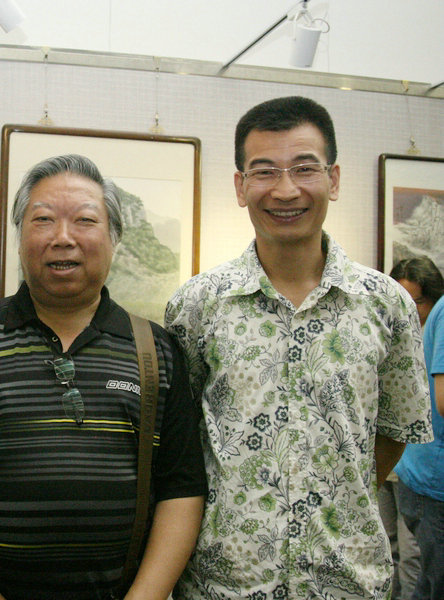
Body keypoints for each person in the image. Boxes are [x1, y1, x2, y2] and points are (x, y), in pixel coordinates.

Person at [164, 96, 433, 600]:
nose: (285, 190)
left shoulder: (386, 304)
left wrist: (336, 493)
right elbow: (182, 443)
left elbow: (394, 432)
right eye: (264, 171)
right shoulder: (197, 305)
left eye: (305, 169)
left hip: (347, 581)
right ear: (240, 186)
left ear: (334, 179)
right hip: (225, 582)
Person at [0, 154, 207, 600]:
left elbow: (181, 488)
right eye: (43, 220)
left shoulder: (156, 349)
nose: (63, 238)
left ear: (114, 239)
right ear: (20, 237)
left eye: (85, 220)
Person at [379, 257, 438, 599]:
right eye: (404, 299)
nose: (411, 309)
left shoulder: (435, 332)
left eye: (418, 301)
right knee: (387, 545)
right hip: (388, 458)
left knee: (412, 554)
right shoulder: (386, 327)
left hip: (415, 460)